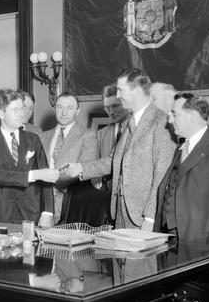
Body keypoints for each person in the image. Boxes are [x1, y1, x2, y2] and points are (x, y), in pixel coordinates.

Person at [62, 68, 176, 230]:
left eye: (121, 90)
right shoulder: (131, 122)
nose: (117, 95)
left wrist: (150, 218)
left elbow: (162, 175)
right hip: (121, 212)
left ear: (136, 91)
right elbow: (113, 160)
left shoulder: (161, 122)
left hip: (142, 217)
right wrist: (80, 168)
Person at [155, 93, 209, 245]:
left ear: (192, 117)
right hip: (172, 240)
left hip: (198, 242)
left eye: (175, 114)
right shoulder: (182, 146)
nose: (170, 120)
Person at [0, 89, 57, 225]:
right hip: (0, 214)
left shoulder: (33, 139)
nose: (22, 113)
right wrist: (34, 175)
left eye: (22, 109)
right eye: (15, 110)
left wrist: (47, 212)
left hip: (32, 213)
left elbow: (47, 177)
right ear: (1, 114)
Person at [41, 94, 97, 223]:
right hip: (42, 204)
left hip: (70, 203)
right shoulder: (42, 136)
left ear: (77, 111)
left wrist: (54, 185)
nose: (64, 112)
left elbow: (84, 168)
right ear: (55, 109)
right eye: (60, 107)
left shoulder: (88, 135)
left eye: (70, 108)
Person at [93, 84, 131, 191]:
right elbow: (96, 163)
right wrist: (95, 174)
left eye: (114, 106)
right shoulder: (101, 134)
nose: (111, 112)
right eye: (107, 107)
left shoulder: (137, 129)